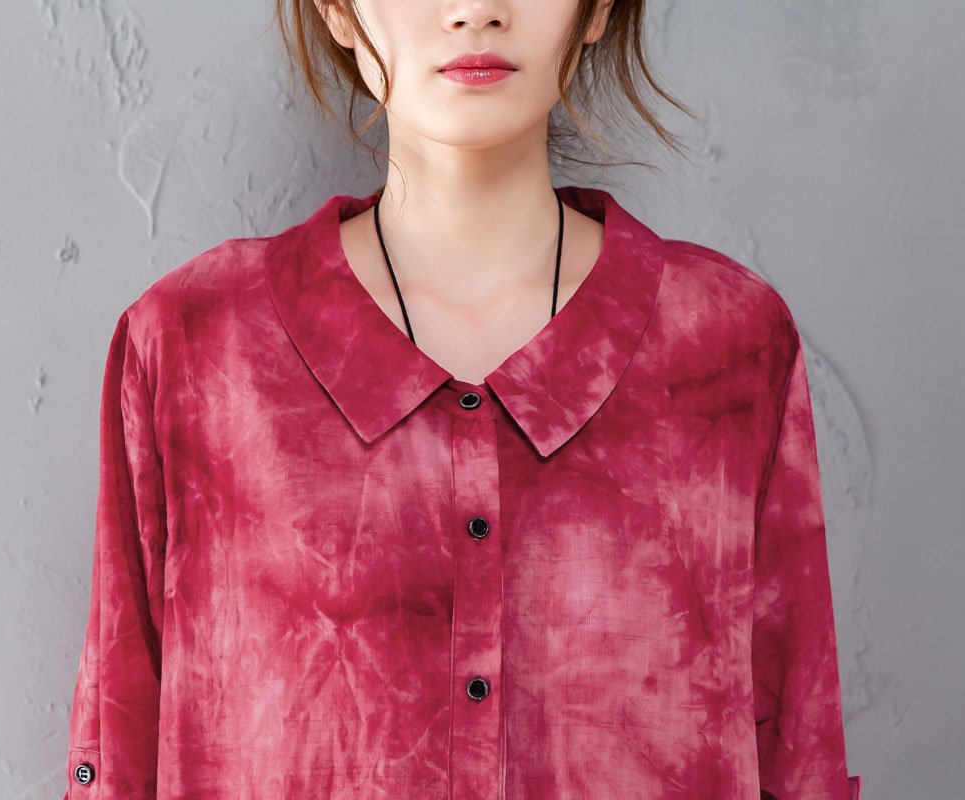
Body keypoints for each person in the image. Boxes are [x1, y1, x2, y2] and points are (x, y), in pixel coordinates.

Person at [60, 1, 863, 798]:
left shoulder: (725, 343)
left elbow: (799, 765)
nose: (476, 10)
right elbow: (118, 763)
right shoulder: (199, 346)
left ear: (598, 11)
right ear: (336, 11)